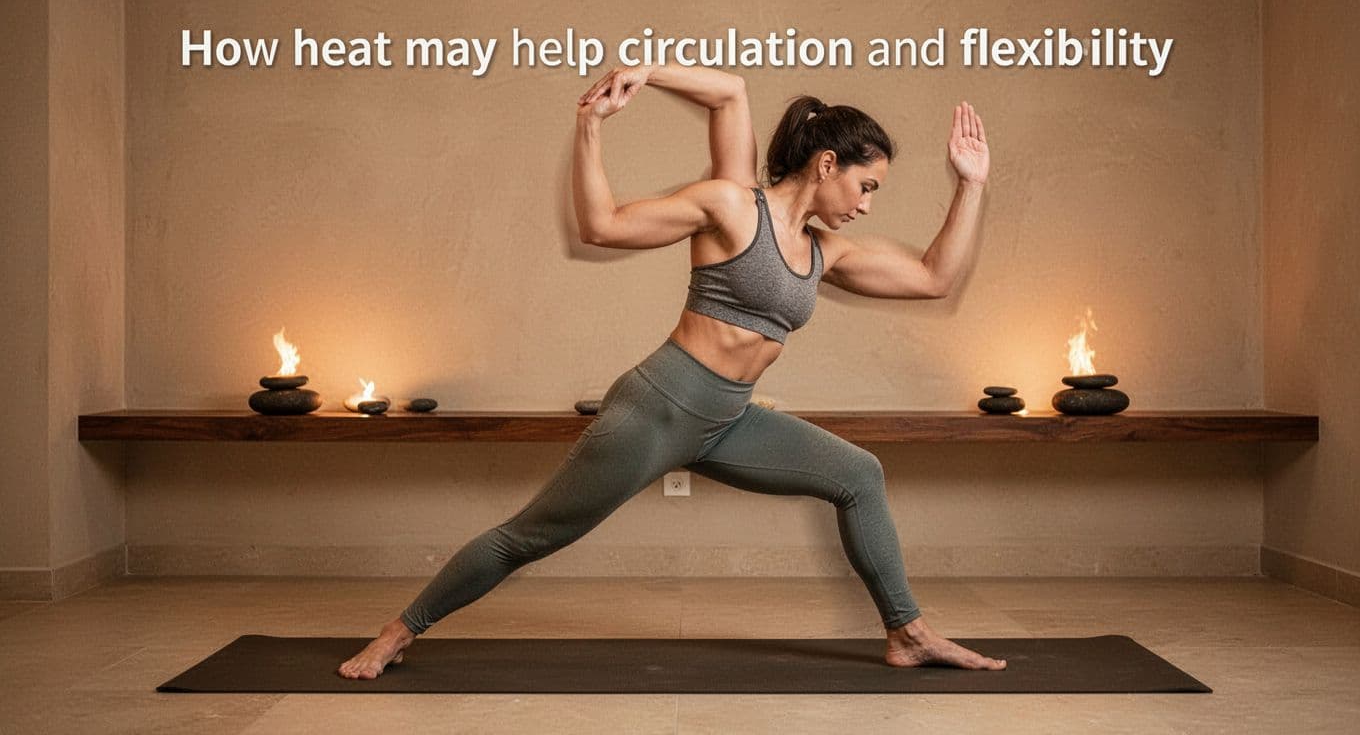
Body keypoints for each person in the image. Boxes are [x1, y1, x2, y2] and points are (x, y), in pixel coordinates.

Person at [339, 64, 1002, 679]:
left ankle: (907, 632)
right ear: (827, 163)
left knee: (859, 474)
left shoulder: (826, 252)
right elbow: (602, 225)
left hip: (728, 420)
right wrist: (595, 121)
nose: (866, 205)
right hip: (658, 410)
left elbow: (934, 277)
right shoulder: (730, 206)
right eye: (866, 186)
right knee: (529, 537)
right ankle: (400, 631)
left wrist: (970, 183)